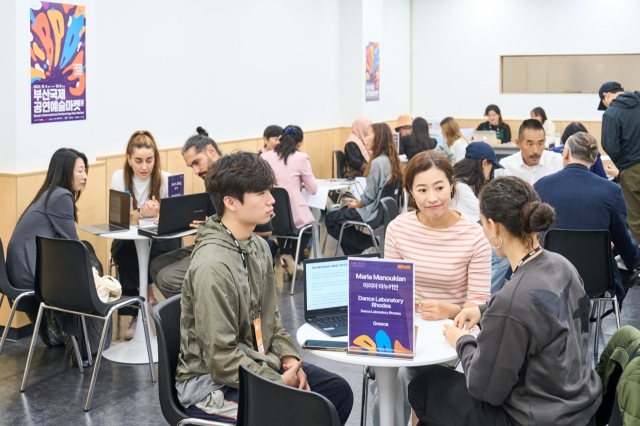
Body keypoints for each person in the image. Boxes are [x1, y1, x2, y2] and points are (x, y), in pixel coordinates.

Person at [175, 152, 353, 425]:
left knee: (337, 392)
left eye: (269, 190)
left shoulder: (257, 246)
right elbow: (221, 358)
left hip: (257, 361)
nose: (271, 200)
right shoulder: (212, 266)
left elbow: (272, 319)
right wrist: (276, 381)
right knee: (304, 413)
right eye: (261, 192)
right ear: (230, 202)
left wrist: (290, 360)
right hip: (212, 384)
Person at [408, 176, 602, 426]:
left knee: (425, 383)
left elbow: (484, 389)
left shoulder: (513, 301)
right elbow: (540, 304)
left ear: (495, 227)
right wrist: (483, 310)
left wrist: (462, 341)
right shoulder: (561, 265)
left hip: (534, 419)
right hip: (580, 407)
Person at [370, 150, 491, 426]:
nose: (432, 198)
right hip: (406, 332)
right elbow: (389, 291)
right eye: (422, 190)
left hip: (454, 334)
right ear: (411, 192)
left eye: (439, 187)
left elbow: (479, 306)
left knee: (436, 386)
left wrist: (451, 309)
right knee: (395, 379)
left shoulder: (474, 235)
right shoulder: (399, 228)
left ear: (452, 185)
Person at [150, 127, 272, 299]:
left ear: (211, 151)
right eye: (191, 166)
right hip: (214, 241)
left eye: (196, 162)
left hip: (233, 247)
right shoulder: (212, 182)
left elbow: (265, 230)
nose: (195, 171)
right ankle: (191, 312)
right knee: (156, 265)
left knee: (167, 278)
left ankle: (199, 312)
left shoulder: (236, 179)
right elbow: (212, 219)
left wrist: (210, 228)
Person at [535, 131, 640, 305]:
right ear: (593, 159)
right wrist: (634, 257)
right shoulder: (611, 191)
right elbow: (624, 243)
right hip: (596, 280)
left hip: (549, 275)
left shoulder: (541, 185)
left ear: (566, 153)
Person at [6, 148, 88, 345]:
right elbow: (72, 244)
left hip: (17, 272)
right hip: (29, 276)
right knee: (88, 262)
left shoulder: (49, 192)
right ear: (65, 172)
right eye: (80, 171)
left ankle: (64, 334)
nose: (85, 176)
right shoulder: (61, 196)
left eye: (85, 171)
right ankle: (84, 343)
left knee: (85, 259)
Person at [110, 130, 180, 340]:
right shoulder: (119, 177)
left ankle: (146, 306)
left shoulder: (166, 179)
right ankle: (145, 305)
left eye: (149, 160)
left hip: (161, 238)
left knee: (161, 252)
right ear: (129, 159)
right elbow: (118, 217)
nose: (144, 167)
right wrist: (142, 213)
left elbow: (178, 215)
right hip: (130, 239)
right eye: (138, 161)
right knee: (124, 249)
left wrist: (161, 213)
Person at [326, 122, 403, 255]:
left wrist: (357, 204)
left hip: (372, 212)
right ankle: (358, 254)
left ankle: (368, 243)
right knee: (342, 217)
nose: (365, 138)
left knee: (331, 219)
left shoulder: (377, 163)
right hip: (384, 212)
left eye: (368, 135)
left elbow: (369, 197)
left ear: (378, 138)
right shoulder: (392, 160)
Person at [452, 142, 510, 295]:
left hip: (463, 235)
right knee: (502, 254)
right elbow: (486, 213)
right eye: (492, 167)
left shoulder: (464, 184)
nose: (491, 173)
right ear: (484, 163)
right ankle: (484, 301)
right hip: (458, 239)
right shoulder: (460, 188)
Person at [262, 125, 318, 277]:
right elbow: (312, 189)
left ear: (280, 139)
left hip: (269, 211)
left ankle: (288, 258)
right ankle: (296, 261)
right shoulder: (301, 158)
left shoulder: (265, 157)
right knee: (307, 228)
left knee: (282, 226)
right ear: (299, 143)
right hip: (294, 213)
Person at [599, 81, 640, 243]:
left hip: (632, 170)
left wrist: (623, 165)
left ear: (606, 96)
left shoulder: (611, 113)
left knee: (635, 219)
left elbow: (610, 146)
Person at [495, 119, 563, 184]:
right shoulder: (505, 167)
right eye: (530, 144)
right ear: (518, 143)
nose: (535, 151)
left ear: (545, 141)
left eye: (540, 144)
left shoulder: (557, 162)